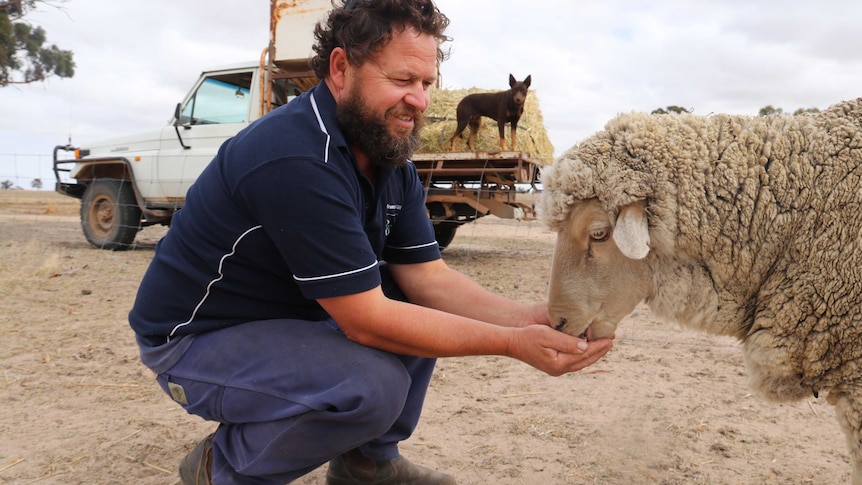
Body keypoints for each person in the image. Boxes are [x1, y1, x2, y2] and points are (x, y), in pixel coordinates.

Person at [128, 0, 614, 483]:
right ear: (341, 68)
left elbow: (429, 279)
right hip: (193, 343)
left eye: (426, 84)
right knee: (372, 385)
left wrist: (534, 317)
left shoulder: (388, 157)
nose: (420, 100)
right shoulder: (295, 157)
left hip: (285, 320)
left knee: (411, 303)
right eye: (402, 81)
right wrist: (513, 343)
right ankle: (221, 469)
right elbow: (365, 321)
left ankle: (367, 465)